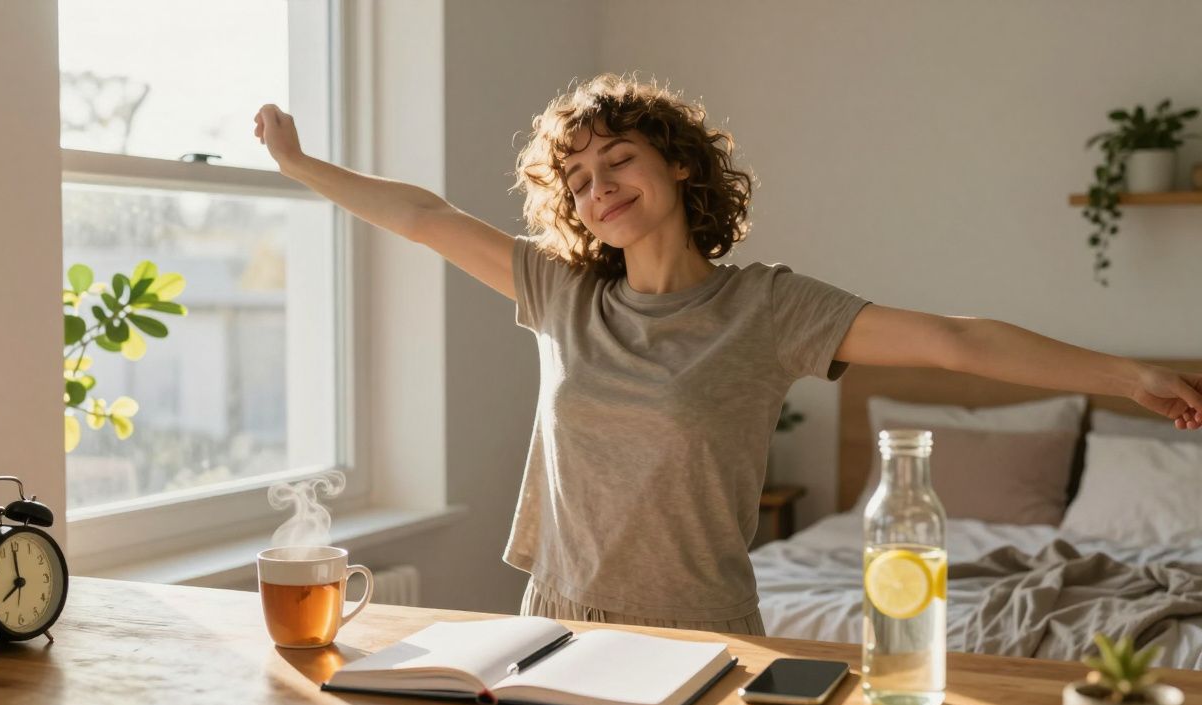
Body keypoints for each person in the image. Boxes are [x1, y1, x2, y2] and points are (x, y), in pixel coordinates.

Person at [255, 73, 1202, 636]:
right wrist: (301, 167)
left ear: (678, 163)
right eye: (577, 180)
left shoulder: (769, 309)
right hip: (555, 618)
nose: (598, 188)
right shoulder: (561, 293)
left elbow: (958, 342)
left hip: (701, 629)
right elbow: (424, 217)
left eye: (618, 159)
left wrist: (1129, 378)